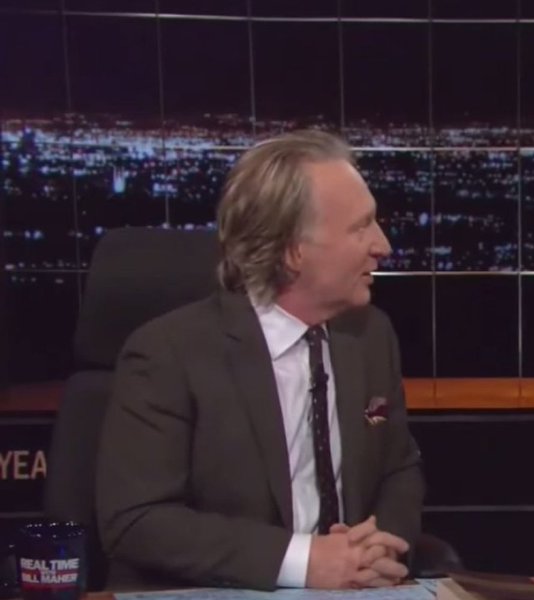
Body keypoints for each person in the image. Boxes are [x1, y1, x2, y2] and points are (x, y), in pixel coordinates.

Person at [95, 130, 425, 590]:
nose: (382, 245)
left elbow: (399, 469)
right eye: (361, 227)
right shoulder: (168, 353)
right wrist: (304, 561)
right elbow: (136, 520)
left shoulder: (370, 335)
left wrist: (379, 547)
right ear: (292, 251)